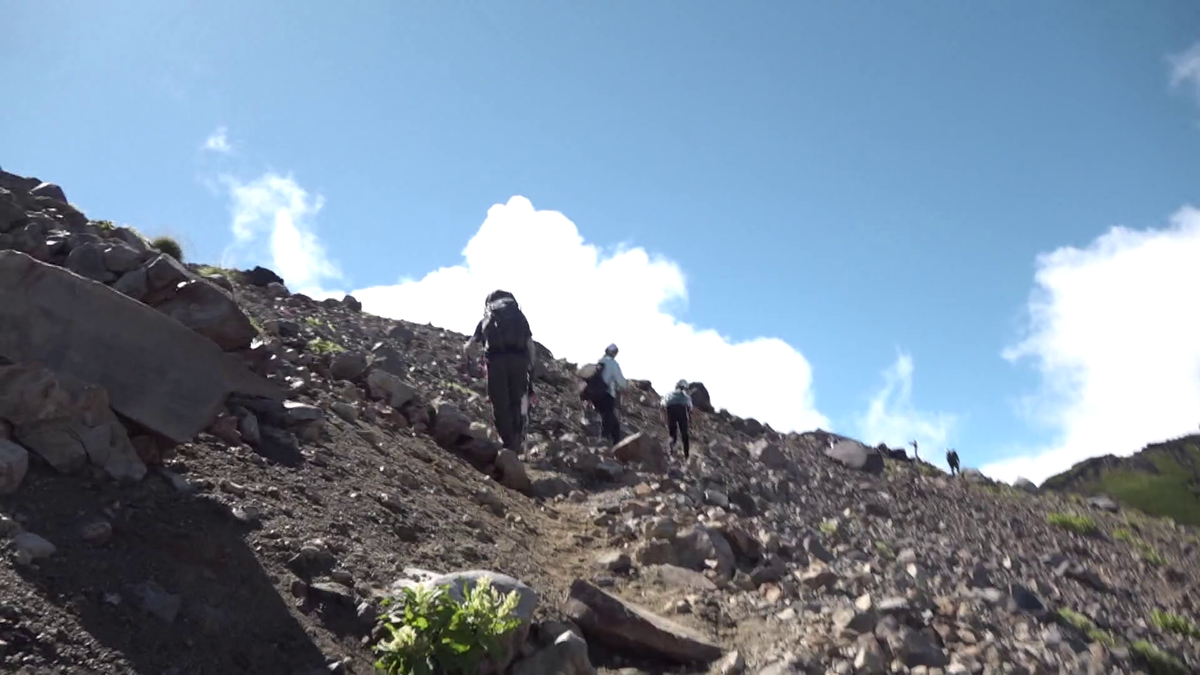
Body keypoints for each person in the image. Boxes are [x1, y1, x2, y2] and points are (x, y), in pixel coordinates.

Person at [464, 290, 536, 453]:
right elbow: (530, 345)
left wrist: (471, 362)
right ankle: (517, 439)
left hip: (496, 362)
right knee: (516, 401)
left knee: (499, 403)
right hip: (519, 361)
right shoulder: (520, 318)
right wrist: (530, 367)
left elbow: (470, 346)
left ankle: (509, 444)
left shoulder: (487, 319)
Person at [594, 343, 627, 447]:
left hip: (596, 394)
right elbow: (621, 382)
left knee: (610, 420)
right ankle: (604, 442)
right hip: (607, 394)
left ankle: (610, 444)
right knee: (609, 419)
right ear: (614, 353)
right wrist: (626, 385)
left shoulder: (600, 361)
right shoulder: (613, 364)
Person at [661, 379, 693, 458]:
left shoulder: (668, 394)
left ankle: (671, 453)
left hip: (670, 411)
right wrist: (691, 423)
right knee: (684, 435)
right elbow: (690, 409)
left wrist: (663, 418)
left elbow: (662, 405)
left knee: (672, 435)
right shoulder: (685, 396)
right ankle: (686, 455)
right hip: (681, 411)